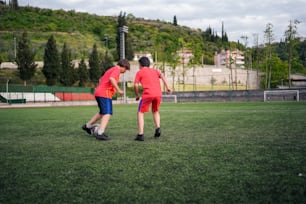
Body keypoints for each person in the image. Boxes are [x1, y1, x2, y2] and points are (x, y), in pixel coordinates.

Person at [82, 59, 130, 140]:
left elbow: (101, 79)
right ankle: (100, 133)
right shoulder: (117, 70)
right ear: (124, 66)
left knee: (102, 113)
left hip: (99, 92)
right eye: (126, 69)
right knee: (107, 113)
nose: (125, 71)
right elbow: (111, 79)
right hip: (104, 94)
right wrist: (118, 90)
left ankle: (87, 126)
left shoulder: (110, 69)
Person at [134, 56, 171, 141]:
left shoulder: (140, 72)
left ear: (140, 64)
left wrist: (137, 95)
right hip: (158, 94)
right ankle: (158, 128)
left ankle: (140, 135)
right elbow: (163, 77)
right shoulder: (155, 71)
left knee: (140, 112)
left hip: (148, 94)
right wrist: (167, 87)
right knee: (155, 110)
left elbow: (136, 85)